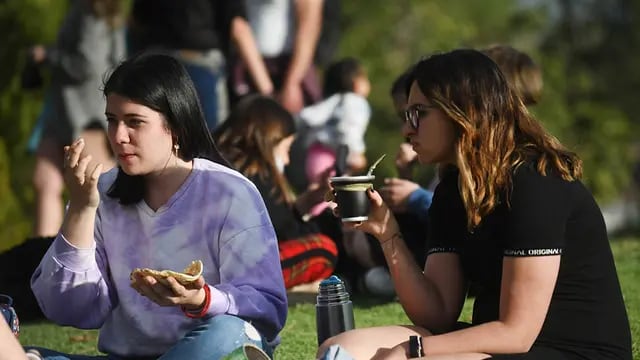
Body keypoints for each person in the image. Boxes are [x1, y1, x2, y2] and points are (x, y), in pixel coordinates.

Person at [318, 49, 632, 359]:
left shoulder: (536, 182)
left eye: (418, 114)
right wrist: (387, 234)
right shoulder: (452, 189)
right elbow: (437, 314)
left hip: (569, 350)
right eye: (405, 116)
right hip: (497, 346)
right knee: (340, 349)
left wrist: (414, 350)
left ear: (462, 112)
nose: (406, 129)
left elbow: (517, 333)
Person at [29, 54, 287, 359]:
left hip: (206, 349)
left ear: (175, 125)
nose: (118, 136)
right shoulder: (99, 193)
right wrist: (81, 211)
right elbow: (70, 309)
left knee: (228, 334)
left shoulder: (230, 192)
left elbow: (267, 307)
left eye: (134, 122)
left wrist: (202, 299)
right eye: (112, 121)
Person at [214, 95, 338, 291]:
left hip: (221, 265)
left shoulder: (224, 165)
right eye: (286, 149)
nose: (287, 160)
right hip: (244, 270)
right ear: (271, 140)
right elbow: (283, 232)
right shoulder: (255, 175)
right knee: (323, 249)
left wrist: (308, 201)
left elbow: (275, 220)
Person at [30, 0, 124, 238]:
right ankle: (40, 259)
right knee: (45, 181)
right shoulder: (85, 9)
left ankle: (106, 262)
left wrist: (47, 56)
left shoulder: (92, 12)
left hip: (86, 117)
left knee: (101, 194)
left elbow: (86, 65)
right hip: (65, 115)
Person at [128, 0, 274, 130]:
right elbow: (238, 27)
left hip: (157, 65)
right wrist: (267, 91)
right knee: (209, 147)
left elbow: (136, 20)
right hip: (201, 66)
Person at [288, 57, 371, 197]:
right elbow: (349, 129)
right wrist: (354, 154)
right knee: (335, 203)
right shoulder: (356, 102)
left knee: (319, 198)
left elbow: (305, 117)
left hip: (313, 157)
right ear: (356, 82)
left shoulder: (330, 102)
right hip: (335, 160)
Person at [229, 0, 324, 113]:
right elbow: (238, 26)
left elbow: (309, 25)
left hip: (291, 68)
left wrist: (292, 83)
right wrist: (267, 90)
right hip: (250, 68)